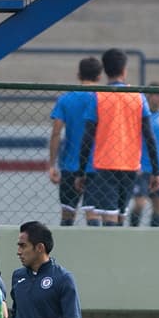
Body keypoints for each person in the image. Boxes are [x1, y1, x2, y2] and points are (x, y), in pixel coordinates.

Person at [75, 48, 159, 227]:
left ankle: (107, 253)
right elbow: (149, 136)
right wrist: (156, 170)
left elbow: (87, 137)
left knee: (109, 217)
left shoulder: (98, 96)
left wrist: (81, 171)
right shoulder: (138, 96)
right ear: (124, 70)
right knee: (121, 215)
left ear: (104, 71)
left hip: (105, 165)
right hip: (130, 165)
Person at [48, 56, 102, 226]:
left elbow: (56, 133)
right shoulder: (103, 98)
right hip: (98, 165)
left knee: (68, 213)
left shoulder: (66, 99)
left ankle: (64, 250)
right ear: (100, 76)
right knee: (93, 214)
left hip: (70, 165)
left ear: (78, 74)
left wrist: (52, 164)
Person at [128, 84, 159, 227]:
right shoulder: (138, 116)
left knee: (158, 206)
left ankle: (156, 237)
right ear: (150, 96)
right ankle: (132, 233)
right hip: (141, 168)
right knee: (139, 203)